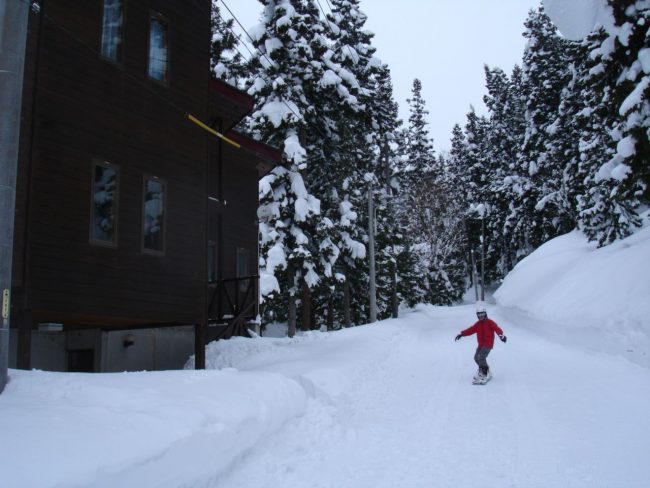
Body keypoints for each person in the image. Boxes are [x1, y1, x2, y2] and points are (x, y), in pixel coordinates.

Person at [454, 303, 506, 383]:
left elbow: (497, 328)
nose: (481, 316)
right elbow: (471, 330)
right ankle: (484, 369)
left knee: (481, 357)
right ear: (477, 315)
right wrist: (462, 334)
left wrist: (501, 335)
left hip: (488, 344)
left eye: (482, 314)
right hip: (481, 344)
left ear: (485, 314)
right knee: (476, 358)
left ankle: (485, 373)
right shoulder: (478, 324)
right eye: (479, 315)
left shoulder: (490, 322)